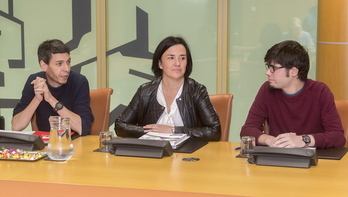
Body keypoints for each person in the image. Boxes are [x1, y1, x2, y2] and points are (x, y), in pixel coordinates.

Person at [240, 40, 346, 148]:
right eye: (268, 67)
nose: (267, 72)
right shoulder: (267, 90)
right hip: (278, 158)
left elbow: (337, 136)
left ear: (294, 72)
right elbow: (247, 130)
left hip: (314, 159)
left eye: (274, 68)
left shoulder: (320, 91)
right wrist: (270, 140)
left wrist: (304, 140)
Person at [115, 36, 221, 141]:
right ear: (160, 63)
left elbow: (215, 131)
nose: (177, 63)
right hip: (152, 154)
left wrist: (173, 130)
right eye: (171, 58)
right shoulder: (145, 91)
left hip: (188, 155)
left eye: (182, 58)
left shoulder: (197, 91)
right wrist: (153, 131)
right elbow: (120, 125)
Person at [12, 39, 94, 136]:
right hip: (46, 146)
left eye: (68, 62)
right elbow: (16, 126)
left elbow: (82, 128)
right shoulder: (35, 81)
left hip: (75, 144)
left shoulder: (79, 81)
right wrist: (37, 99)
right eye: (59, 64)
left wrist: (51, 99)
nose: (66, 69)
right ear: (44, 66)